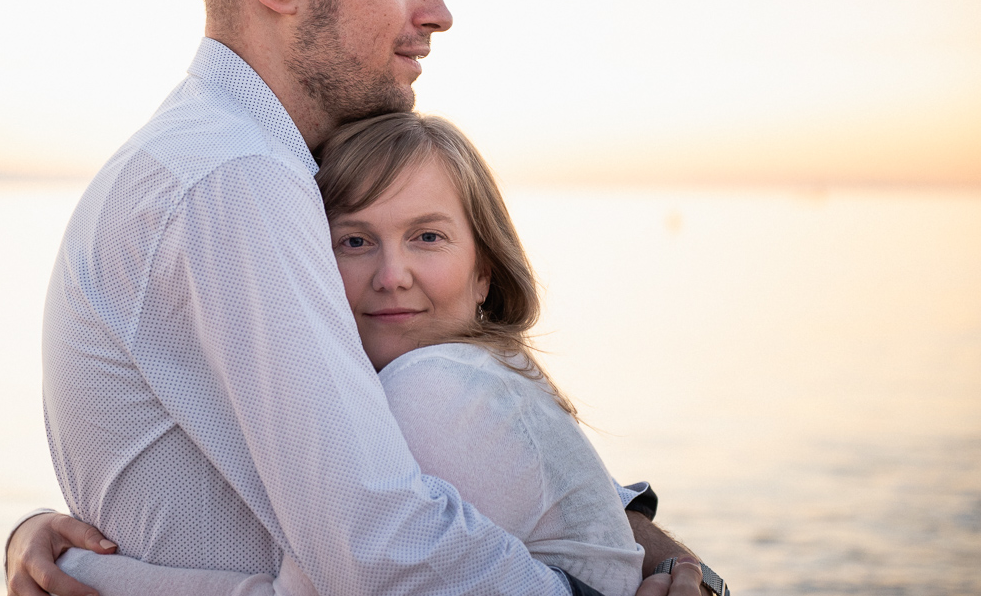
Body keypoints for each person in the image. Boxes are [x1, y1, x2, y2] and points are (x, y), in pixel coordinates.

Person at [5, 0, 710, 596]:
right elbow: (377, 544)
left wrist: (670, 566)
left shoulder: (239, 164)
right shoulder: (235, 176)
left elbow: (476, 457)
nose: (438, 12)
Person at [49, 112, 651, 596]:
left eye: (428, 237)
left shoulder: (434, 384)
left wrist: (76, 569)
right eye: (355, 241)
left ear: (484, 273)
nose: (392, 275)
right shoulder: (488, 375)